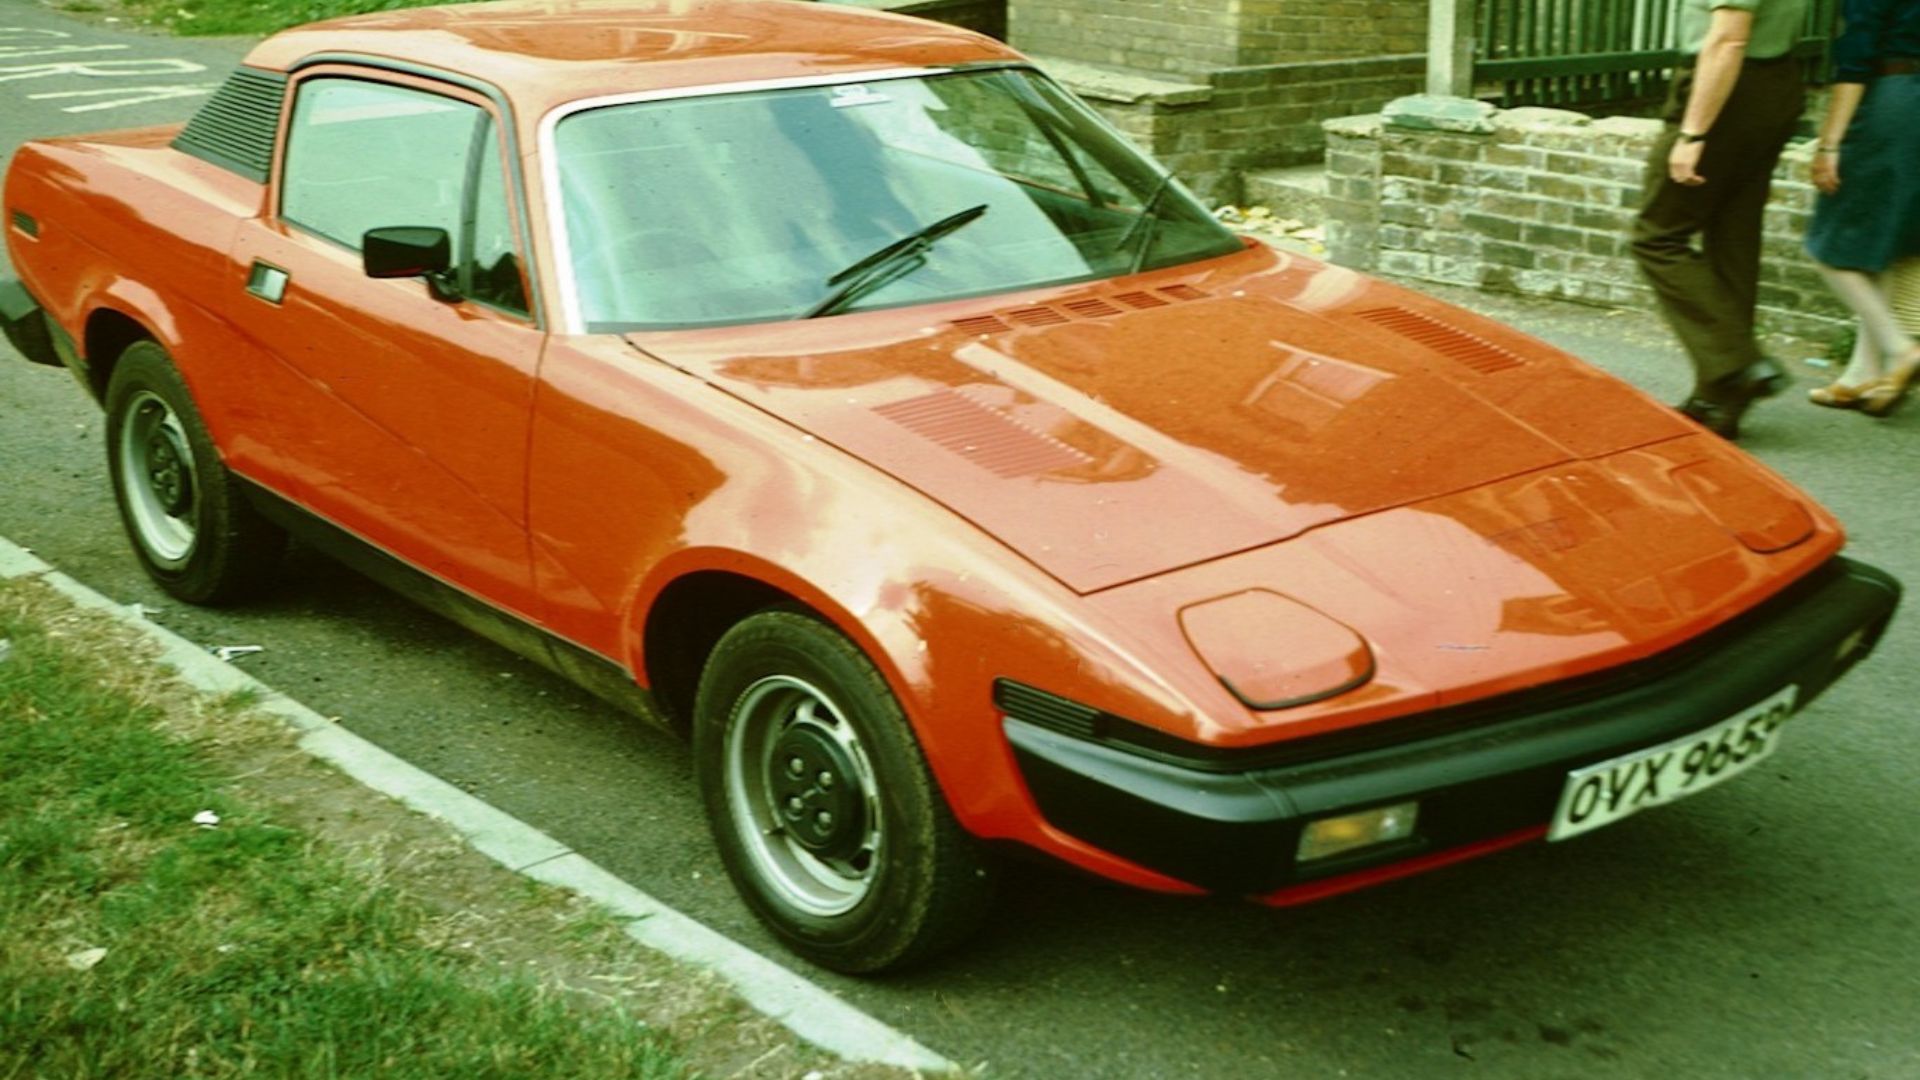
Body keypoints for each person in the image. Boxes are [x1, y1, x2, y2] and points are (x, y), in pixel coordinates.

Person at [1631, 0, 1810, 439]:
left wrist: (1694, 134)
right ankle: (1720, 400)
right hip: (1774, 83)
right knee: (1733, 238)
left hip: (1726, 88)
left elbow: (1729, 38)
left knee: (1657, 237)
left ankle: (1737, 362)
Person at [1803, 0, 1920, 416]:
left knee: (1828, 245)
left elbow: (1857, 55)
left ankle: (1898, 348)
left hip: (1891, 100)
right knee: (1882, 241)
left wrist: (1829, 143)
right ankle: (1862, 374)